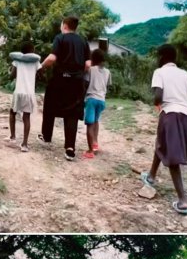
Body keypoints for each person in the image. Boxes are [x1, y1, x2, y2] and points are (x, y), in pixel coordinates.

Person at [140, 44, 187, 215]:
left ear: (161, 57)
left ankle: (183, 200)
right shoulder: (184, 73)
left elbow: (158, 96)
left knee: (173, 155)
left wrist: (157, 104)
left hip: (169, 114)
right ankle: (151, 176)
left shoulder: (160, 72)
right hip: (186, 114)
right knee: (161, 143)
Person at [38, 15, 91, 161]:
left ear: (65, 25)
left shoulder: (60, 38)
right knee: (72, 113)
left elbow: (52, 58)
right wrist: (78, 74)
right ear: (76, 27)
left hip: (60, 79)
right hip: (77, 82)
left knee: (49, 106)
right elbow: (88, 65)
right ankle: (70, 148)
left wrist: (40, 67)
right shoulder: (83, 41)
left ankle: (46, 136)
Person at [8, 42, 42, 152]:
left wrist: (11, 70)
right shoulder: (35, 61)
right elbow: (41, 74)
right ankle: (25, 144)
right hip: (29, 93)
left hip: (18, 91)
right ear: (32, 51)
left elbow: (12, 75)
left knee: (12, 113)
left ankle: (12, 136)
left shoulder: (17, 60)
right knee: (26, 118)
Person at [82, 48, 111, 159]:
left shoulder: (90, 70)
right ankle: (95, 143)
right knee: (96, 121)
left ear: (93, 58)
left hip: (91, 99)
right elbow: (108, 86)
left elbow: (85, 83)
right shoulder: (108, 71)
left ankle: (90, 151)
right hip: (101, 100)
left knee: (89, 124)